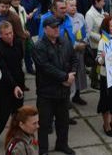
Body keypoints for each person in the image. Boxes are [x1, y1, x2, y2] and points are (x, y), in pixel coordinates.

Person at [32, 16, 78, 155]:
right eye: (53, 27)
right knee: (44, 124)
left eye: (57, 26)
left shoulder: (65, 42)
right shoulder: (39, 46)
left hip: (63, 91)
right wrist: (64, 77)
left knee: (63, 122)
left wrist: (72, 75)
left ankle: (62, 144)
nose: (57, 29)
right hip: (46, 92)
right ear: (46, 29)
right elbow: (45, 67)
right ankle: (44, 150)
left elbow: (74, 59)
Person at [0, 21, 26, 150]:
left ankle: (16, 136)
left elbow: (20, 61)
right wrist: (14, 86)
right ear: (1, 35)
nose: (10, 36)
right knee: (4, 115)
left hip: (19, 83)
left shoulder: (17, 43)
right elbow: (4, 71)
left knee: (18, 114)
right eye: (6, 34)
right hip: (6, 87)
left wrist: (20, 84)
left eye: (11, 33)